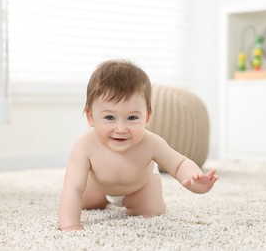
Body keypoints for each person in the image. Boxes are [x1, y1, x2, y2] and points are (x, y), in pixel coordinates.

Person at [58, 59, 219, 231]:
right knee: (82, 201)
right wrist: (70, 225)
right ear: (91, 117)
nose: (120, 129)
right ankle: (99, 197)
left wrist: (193, 177)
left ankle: (139, 201)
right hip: (97, 184)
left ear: (147, 117)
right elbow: (73, 187)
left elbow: (179, 163)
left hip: (139, 186)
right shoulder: (84, 146)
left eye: (132, 118)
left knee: (151, 210)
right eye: (110, 118)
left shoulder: (151, 143)